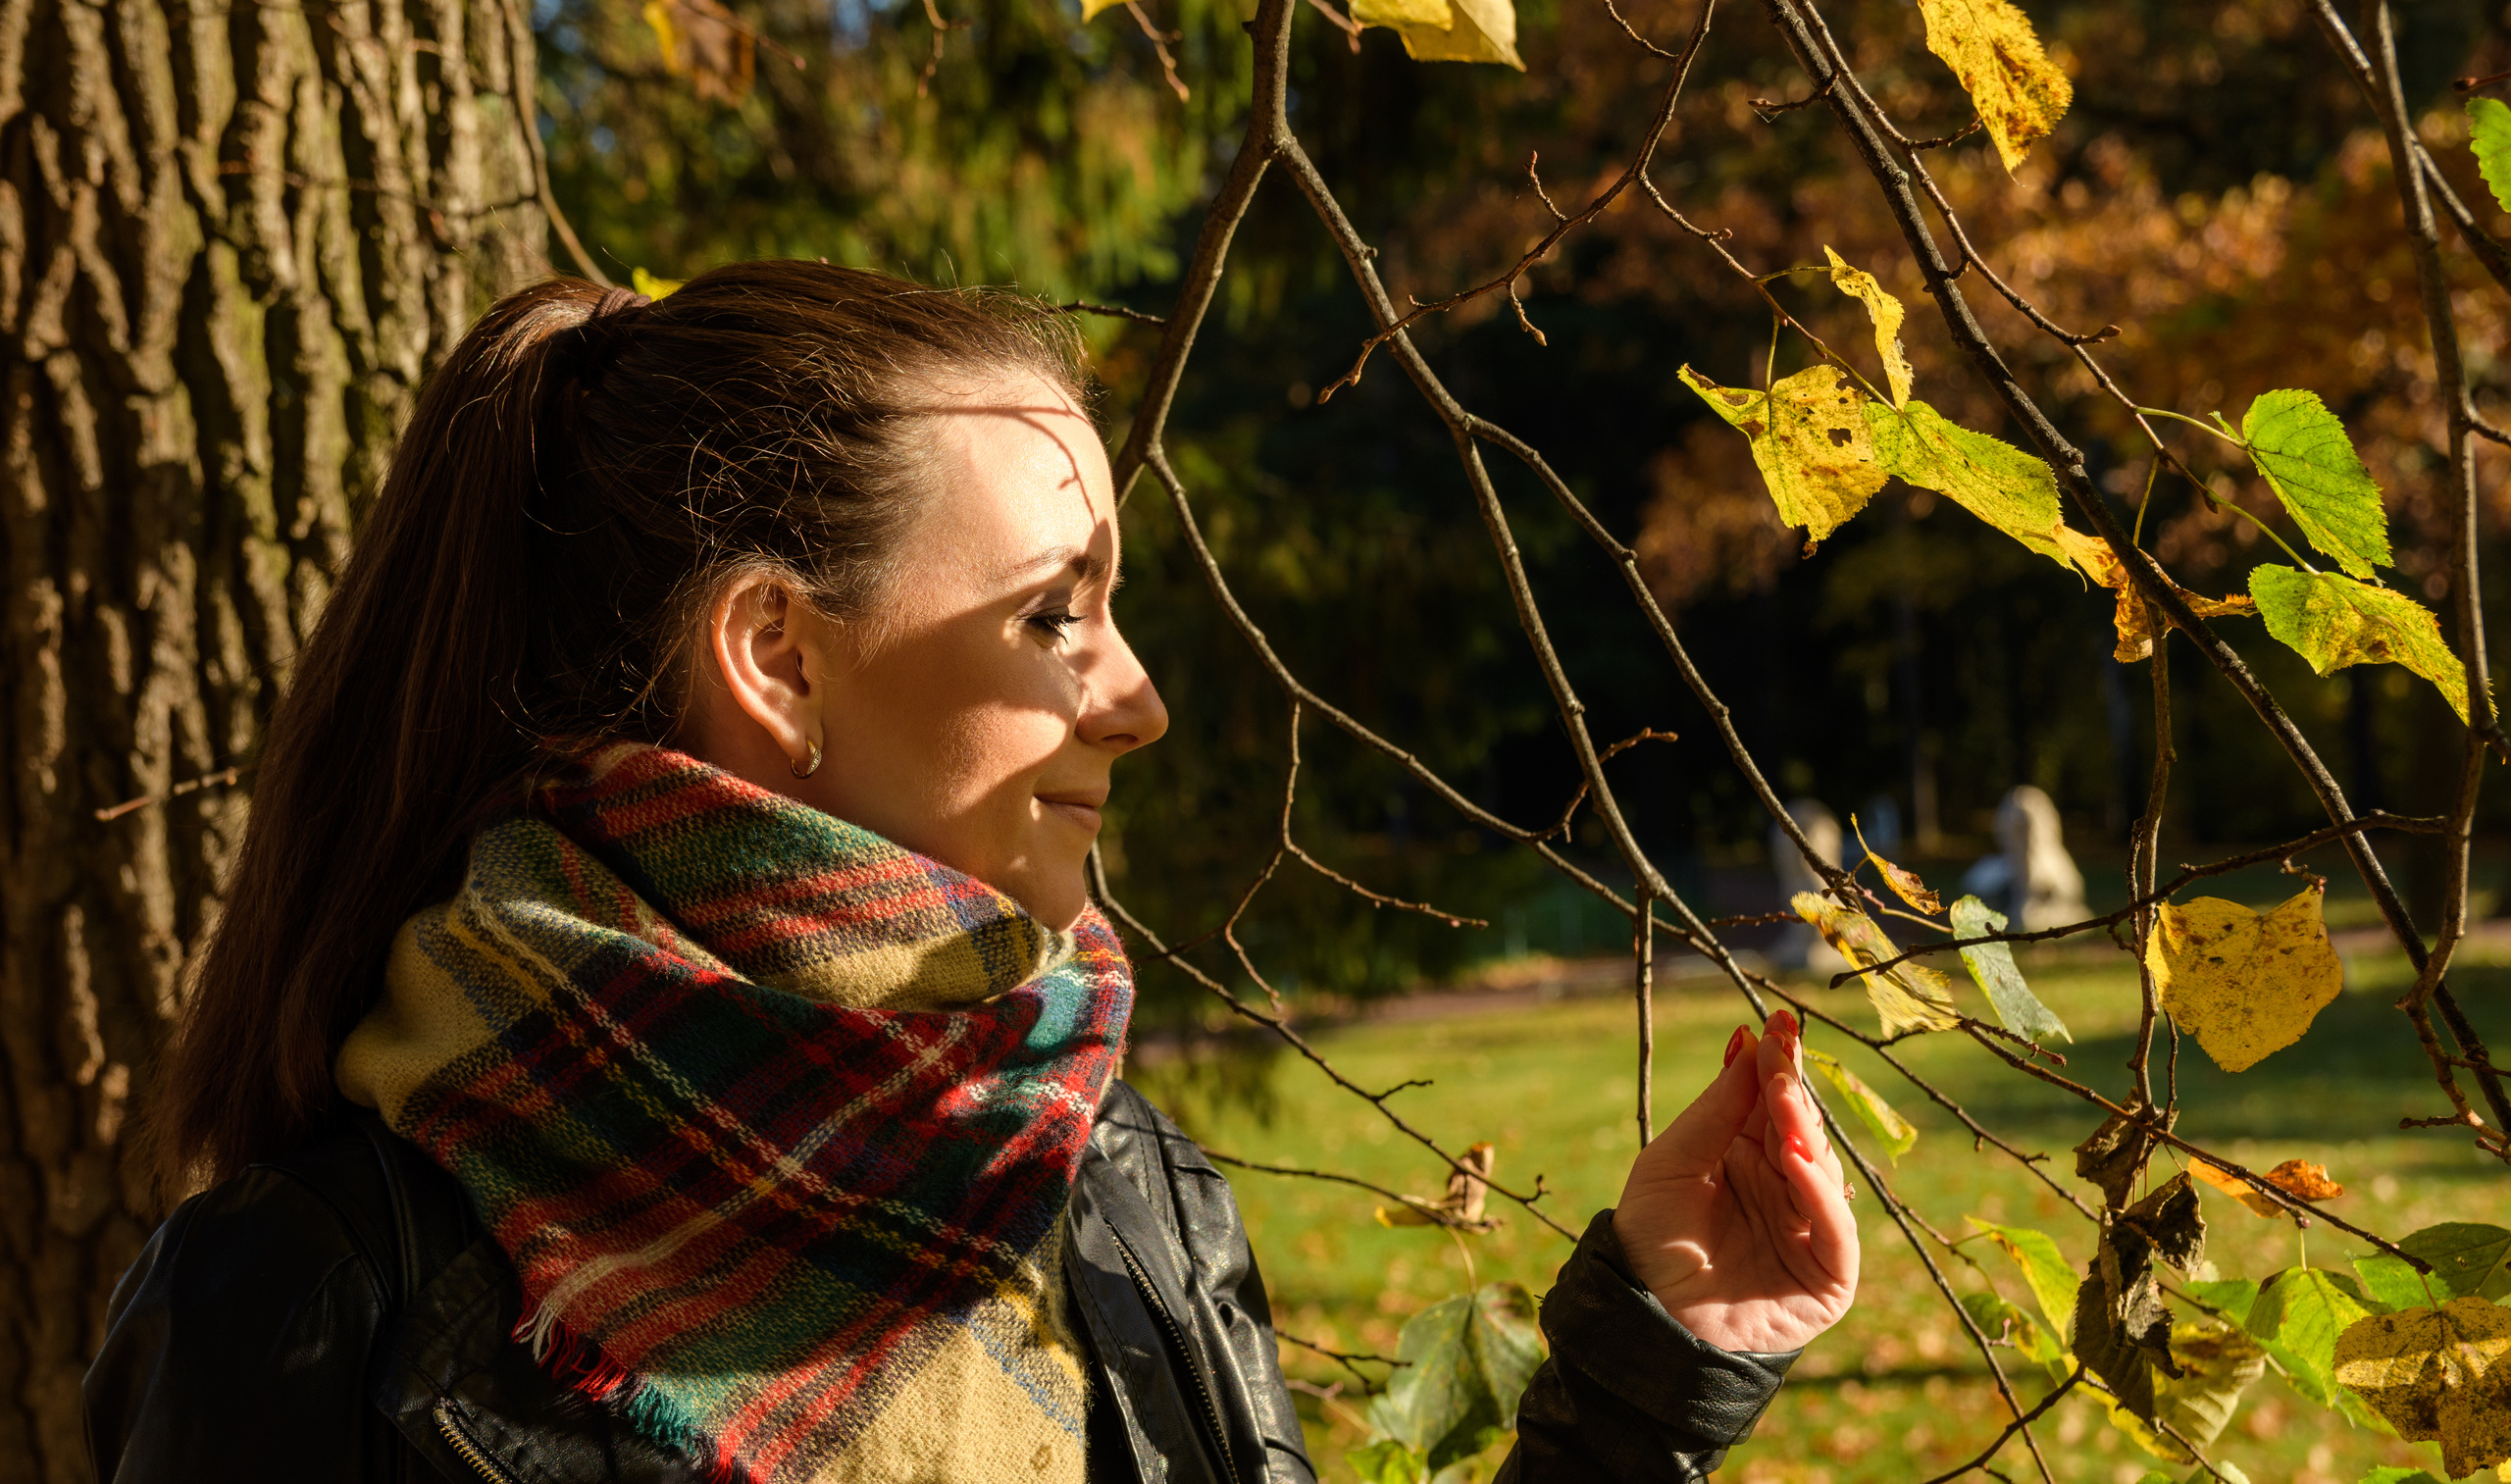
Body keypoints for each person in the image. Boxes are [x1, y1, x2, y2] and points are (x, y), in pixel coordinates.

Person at [84, 264, 1859, 1483]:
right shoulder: (317, 1297)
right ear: (777, 655)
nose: (1143, 699)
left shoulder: (1107, 1180)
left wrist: (1647, 1368)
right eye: (1054, 614)